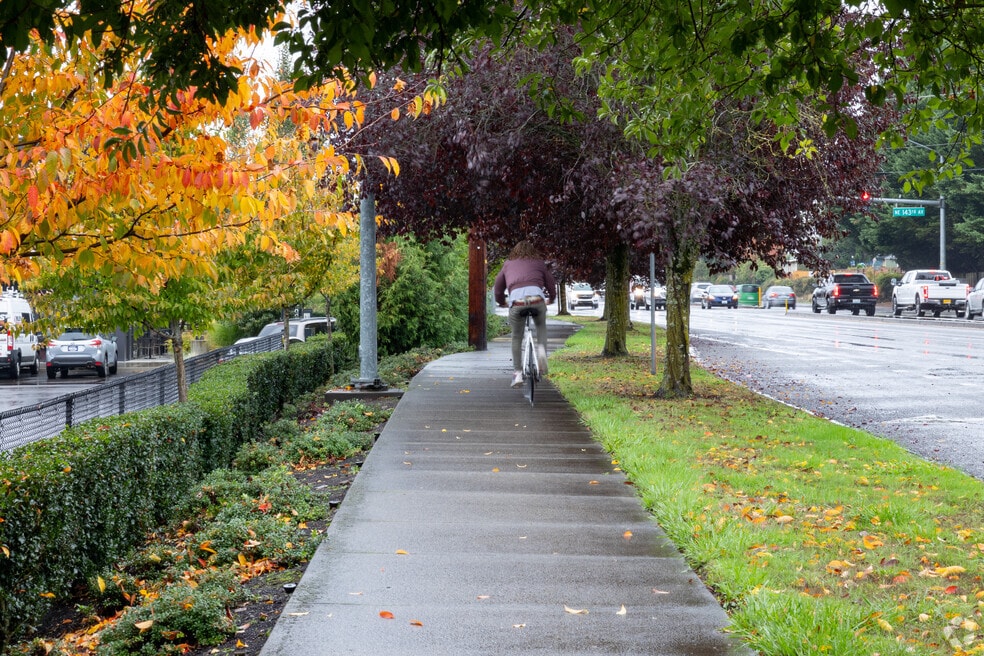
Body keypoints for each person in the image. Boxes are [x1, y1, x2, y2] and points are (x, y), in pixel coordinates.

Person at [493, 241, 557, 388]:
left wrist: (501, 301)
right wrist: (551, 298)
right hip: (537, 300)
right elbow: (550, 282)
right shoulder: (539, 262)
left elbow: (498, 286)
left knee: (516, 336)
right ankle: (541, 354)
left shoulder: (508, 264)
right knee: (541, 327)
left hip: (518, 302)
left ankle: (517, 373)